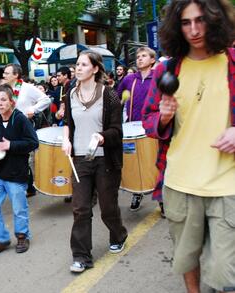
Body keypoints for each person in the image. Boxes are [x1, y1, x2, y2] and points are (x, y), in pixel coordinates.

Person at [142, 0, 235, 291]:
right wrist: (164, 117)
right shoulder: (167, 70)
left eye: (200, 20)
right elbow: (147, 121)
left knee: (225, 272)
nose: (194, 30)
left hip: (227, 183)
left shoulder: (233, 61)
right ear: (175, 26)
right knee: (186, 259)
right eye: (185, 22)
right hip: (180, 182)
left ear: (214, 20)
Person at [61, 50, 128, 273]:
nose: (78, 68)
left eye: (83, 65)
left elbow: (118, 132)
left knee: (108, 208)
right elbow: (68, 124)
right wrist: (65, 140)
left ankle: (118, 233)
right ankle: (81, 256)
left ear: (95, 69)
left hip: (105, 160)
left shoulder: (109, 95)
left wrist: (102, 137)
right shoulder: (70, 94)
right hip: (80, 158)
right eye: (77, 65)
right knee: (80, 208)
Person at [0, 85, 39, 255]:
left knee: (19, 208)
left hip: (16, 173)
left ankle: (22, 236)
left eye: (3, 99)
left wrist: (10, 145)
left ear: (11, 101)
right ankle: (1, 238)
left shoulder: (20, 119)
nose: (0, 103)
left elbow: (33, 142)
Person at [116, 46, 157, 212]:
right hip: (133, 128)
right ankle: (136, 192)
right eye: (138, 56)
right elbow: (116, 97)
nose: (139, 58)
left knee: (155, 163)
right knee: (134, 162)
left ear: (152, 60)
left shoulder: (158, 77)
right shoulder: (128, 79)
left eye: (144, 56)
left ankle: (161, 198)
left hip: (154, 128)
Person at [2, 63, 50, 197]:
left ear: (16, 75)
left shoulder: (27, 88)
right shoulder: (4, 89)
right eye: (4, 73)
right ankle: (28, 186)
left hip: (24, 127)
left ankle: (23, 186)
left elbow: (46, 100)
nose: (3, 75)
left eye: (7, 73)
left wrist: (33, 110)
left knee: (22, 157)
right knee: (14, 156)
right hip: (8, 127)